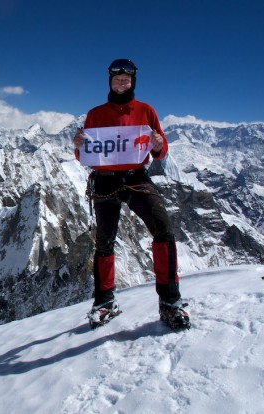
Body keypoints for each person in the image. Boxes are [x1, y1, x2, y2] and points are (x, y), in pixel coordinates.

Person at [73, 58, 190, 329]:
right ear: (110, 81)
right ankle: (104, 303)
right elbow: (84, 154)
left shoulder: (146, 111)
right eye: (117, 79)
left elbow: (160, 151)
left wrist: (159, 144)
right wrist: (78, 145)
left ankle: (170, 302)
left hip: (137, 177)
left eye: (126, 79)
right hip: (104, 180)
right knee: (104, 241)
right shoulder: (95, 114)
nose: (122, 83)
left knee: (163, 229)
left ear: (133, 81)